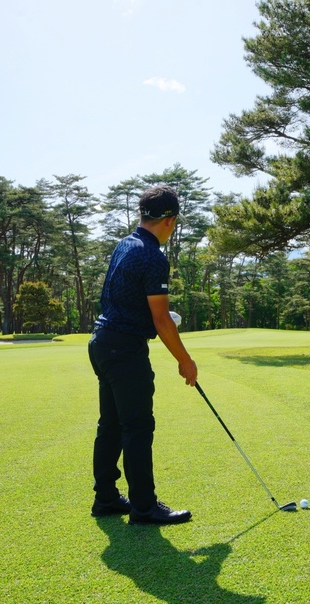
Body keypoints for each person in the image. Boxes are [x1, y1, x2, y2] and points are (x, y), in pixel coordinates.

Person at [88, 185, 198, 525]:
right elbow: (161, 318)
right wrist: (185, 359)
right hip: (124, 349)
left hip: (103, 343)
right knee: (136, 427)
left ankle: (106, 498)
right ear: (170, 220)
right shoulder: (153, 256)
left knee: (111, 424)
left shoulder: (125, 244)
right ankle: (145, 507)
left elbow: (137, 302)